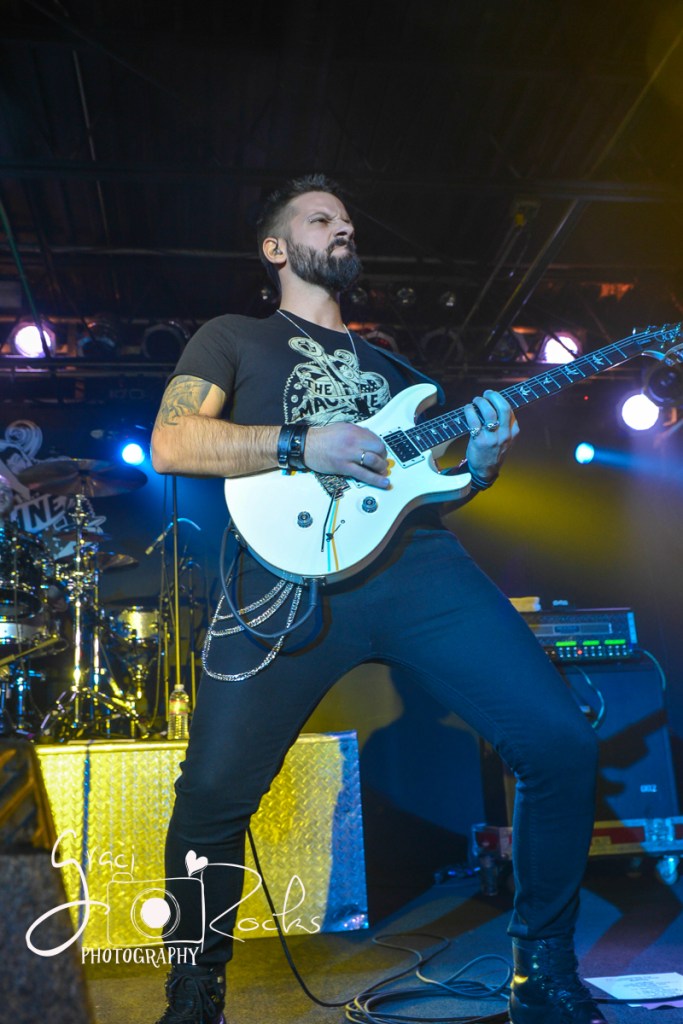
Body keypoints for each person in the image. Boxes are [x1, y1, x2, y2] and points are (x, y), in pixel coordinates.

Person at [150, 174, 604, 1024]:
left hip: (419, 571)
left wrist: (480, 467)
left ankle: (541, 972)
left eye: (348, 221)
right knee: (211, 793)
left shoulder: (400, 372)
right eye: (321, 219)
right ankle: (194, 989)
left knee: (558, 743)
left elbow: (429, 492)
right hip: (280, 580)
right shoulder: (233, 337)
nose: (343, 229)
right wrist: (306, 441)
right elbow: (172, 443)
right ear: (276, 248)